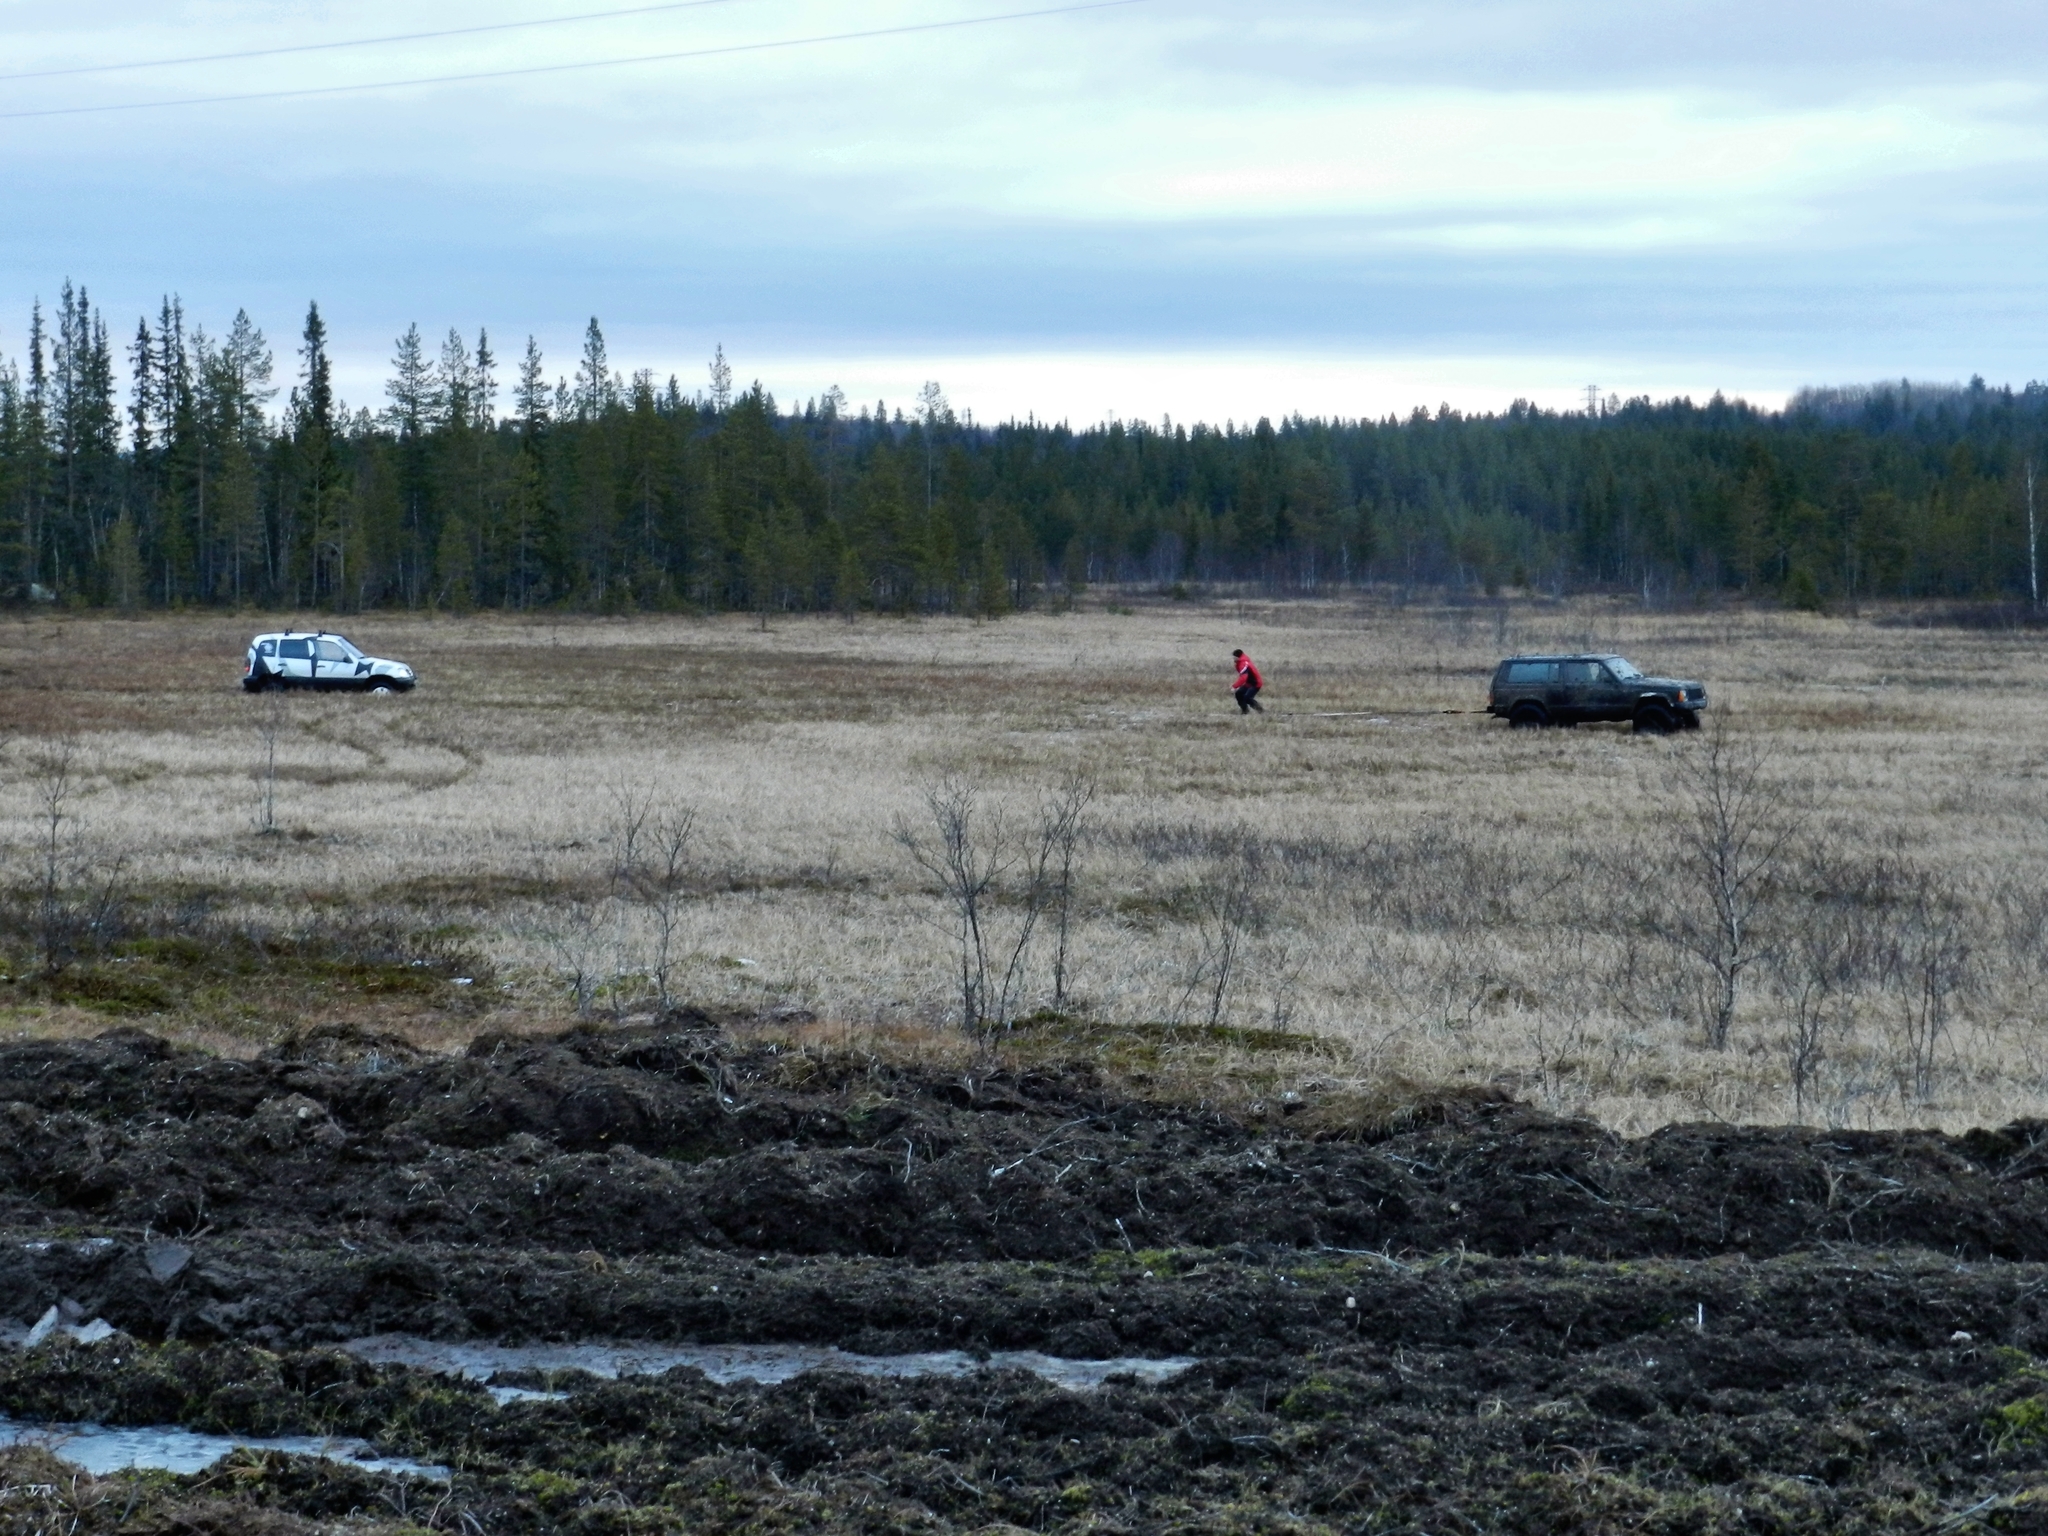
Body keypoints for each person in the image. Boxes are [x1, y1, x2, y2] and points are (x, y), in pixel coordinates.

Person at [1230, 648, 1264, 713]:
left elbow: (1243, 677)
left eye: (1234, 657)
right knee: (1238, 694)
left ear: (1237, 657)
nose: (1233, 659)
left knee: (1247, 698)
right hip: (1249, 683)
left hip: (1255, 683)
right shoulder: (1241, 662)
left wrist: (1234, 687)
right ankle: (1245, 711)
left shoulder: (1243, 664)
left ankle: (1260, 711)